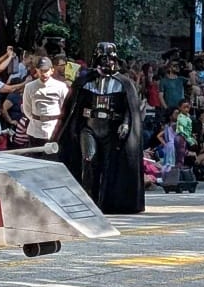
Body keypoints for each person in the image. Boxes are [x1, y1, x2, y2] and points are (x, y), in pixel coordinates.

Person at [56, 41, 144, 214]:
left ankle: (105, 202)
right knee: (89, 160)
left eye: (111, 58)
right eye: (104, 58)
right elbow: (74, 107)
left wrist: (126, 123)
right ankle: (89, 199)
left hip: (111, 130)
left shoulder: (124, 83)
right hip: (89, 128)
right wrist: (73, 128)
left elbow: (130, 108)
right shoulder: (84, 80)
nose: (108, 62)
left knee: (109, 165)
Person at [22, 56, 69, 148]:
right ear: (37, 70)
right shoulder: (29, 87)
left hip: (54, 128)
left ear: (52, 70)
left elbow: (65, 107)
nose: (44, 73)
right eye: (41, 70)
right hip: (35, 128)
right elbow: (27, 108)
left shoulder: (61, 87)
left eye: (46, 70)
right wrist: (35, 119)